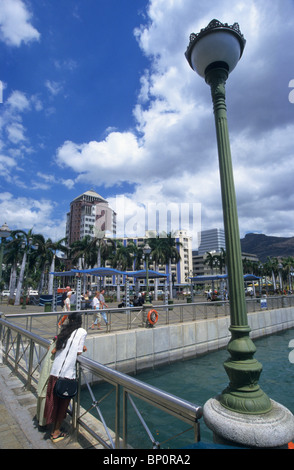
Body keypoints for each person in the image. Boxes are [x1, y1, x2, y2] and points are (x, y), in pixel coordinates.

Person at [43, 312, 87, 443]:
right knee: (63, 404)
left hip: (55, 372)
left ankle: (49, 425)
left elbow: (55, 349)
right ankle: (56, 432)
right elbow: (78, 351)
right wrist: (83, 349)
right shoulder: (82, 332)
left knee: (53, 401)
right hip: (67, 374)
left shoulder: (64, 332)